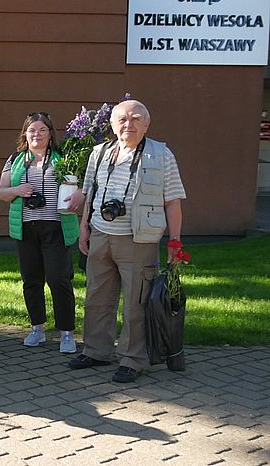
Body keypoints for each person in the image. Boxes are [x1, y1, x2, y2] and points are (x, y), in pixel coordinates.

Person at [70, 100, 186, 383]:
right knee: (97, 297)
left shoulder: (161, 155)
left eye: (136, 119)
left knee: (136, 302)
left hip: (139, 239)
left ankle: (133, 359)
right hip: (100, 233)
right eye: (122, 119)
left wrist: (175, 241)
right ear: (112, 124)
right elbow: (90, 194)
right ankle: (96, 350)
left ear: (147, 124)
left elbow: (172, 201)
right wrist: (83, 228)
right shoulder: (99, 153)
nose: (128, 124)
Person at [0, 112, 84, 354]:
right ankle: (37, 329)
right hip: (25, 228)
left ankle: (66, 332)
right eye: (32, 130)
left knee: (59, 279)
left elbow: (78, 186)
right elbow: (2, 192)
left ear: (50, 134)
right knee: (31, 280)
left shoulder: (63, 158)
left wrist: (79, 194)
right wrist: (18, 189)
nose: (36, 134)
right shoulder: (14, 160)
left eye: (42, 130)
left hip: (56, 227)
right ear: (25, 133)